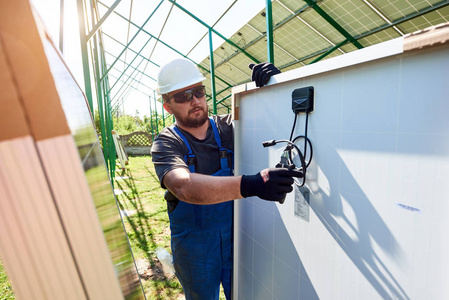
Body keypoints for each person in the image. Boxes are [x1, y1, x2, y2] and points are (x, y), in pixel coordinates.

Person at [151, 58, 301, 300]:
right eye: (182, 96)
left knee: (246, 293)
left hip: (237, 237)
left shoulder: (229, 127)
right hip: (194, 248)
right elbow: (183, 186)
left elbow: (273, 115)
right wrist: (253, 184)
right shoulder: (167, 143)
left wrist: (274, 85)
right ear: (168, 106)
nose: (194, 100)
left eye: (198, 92)